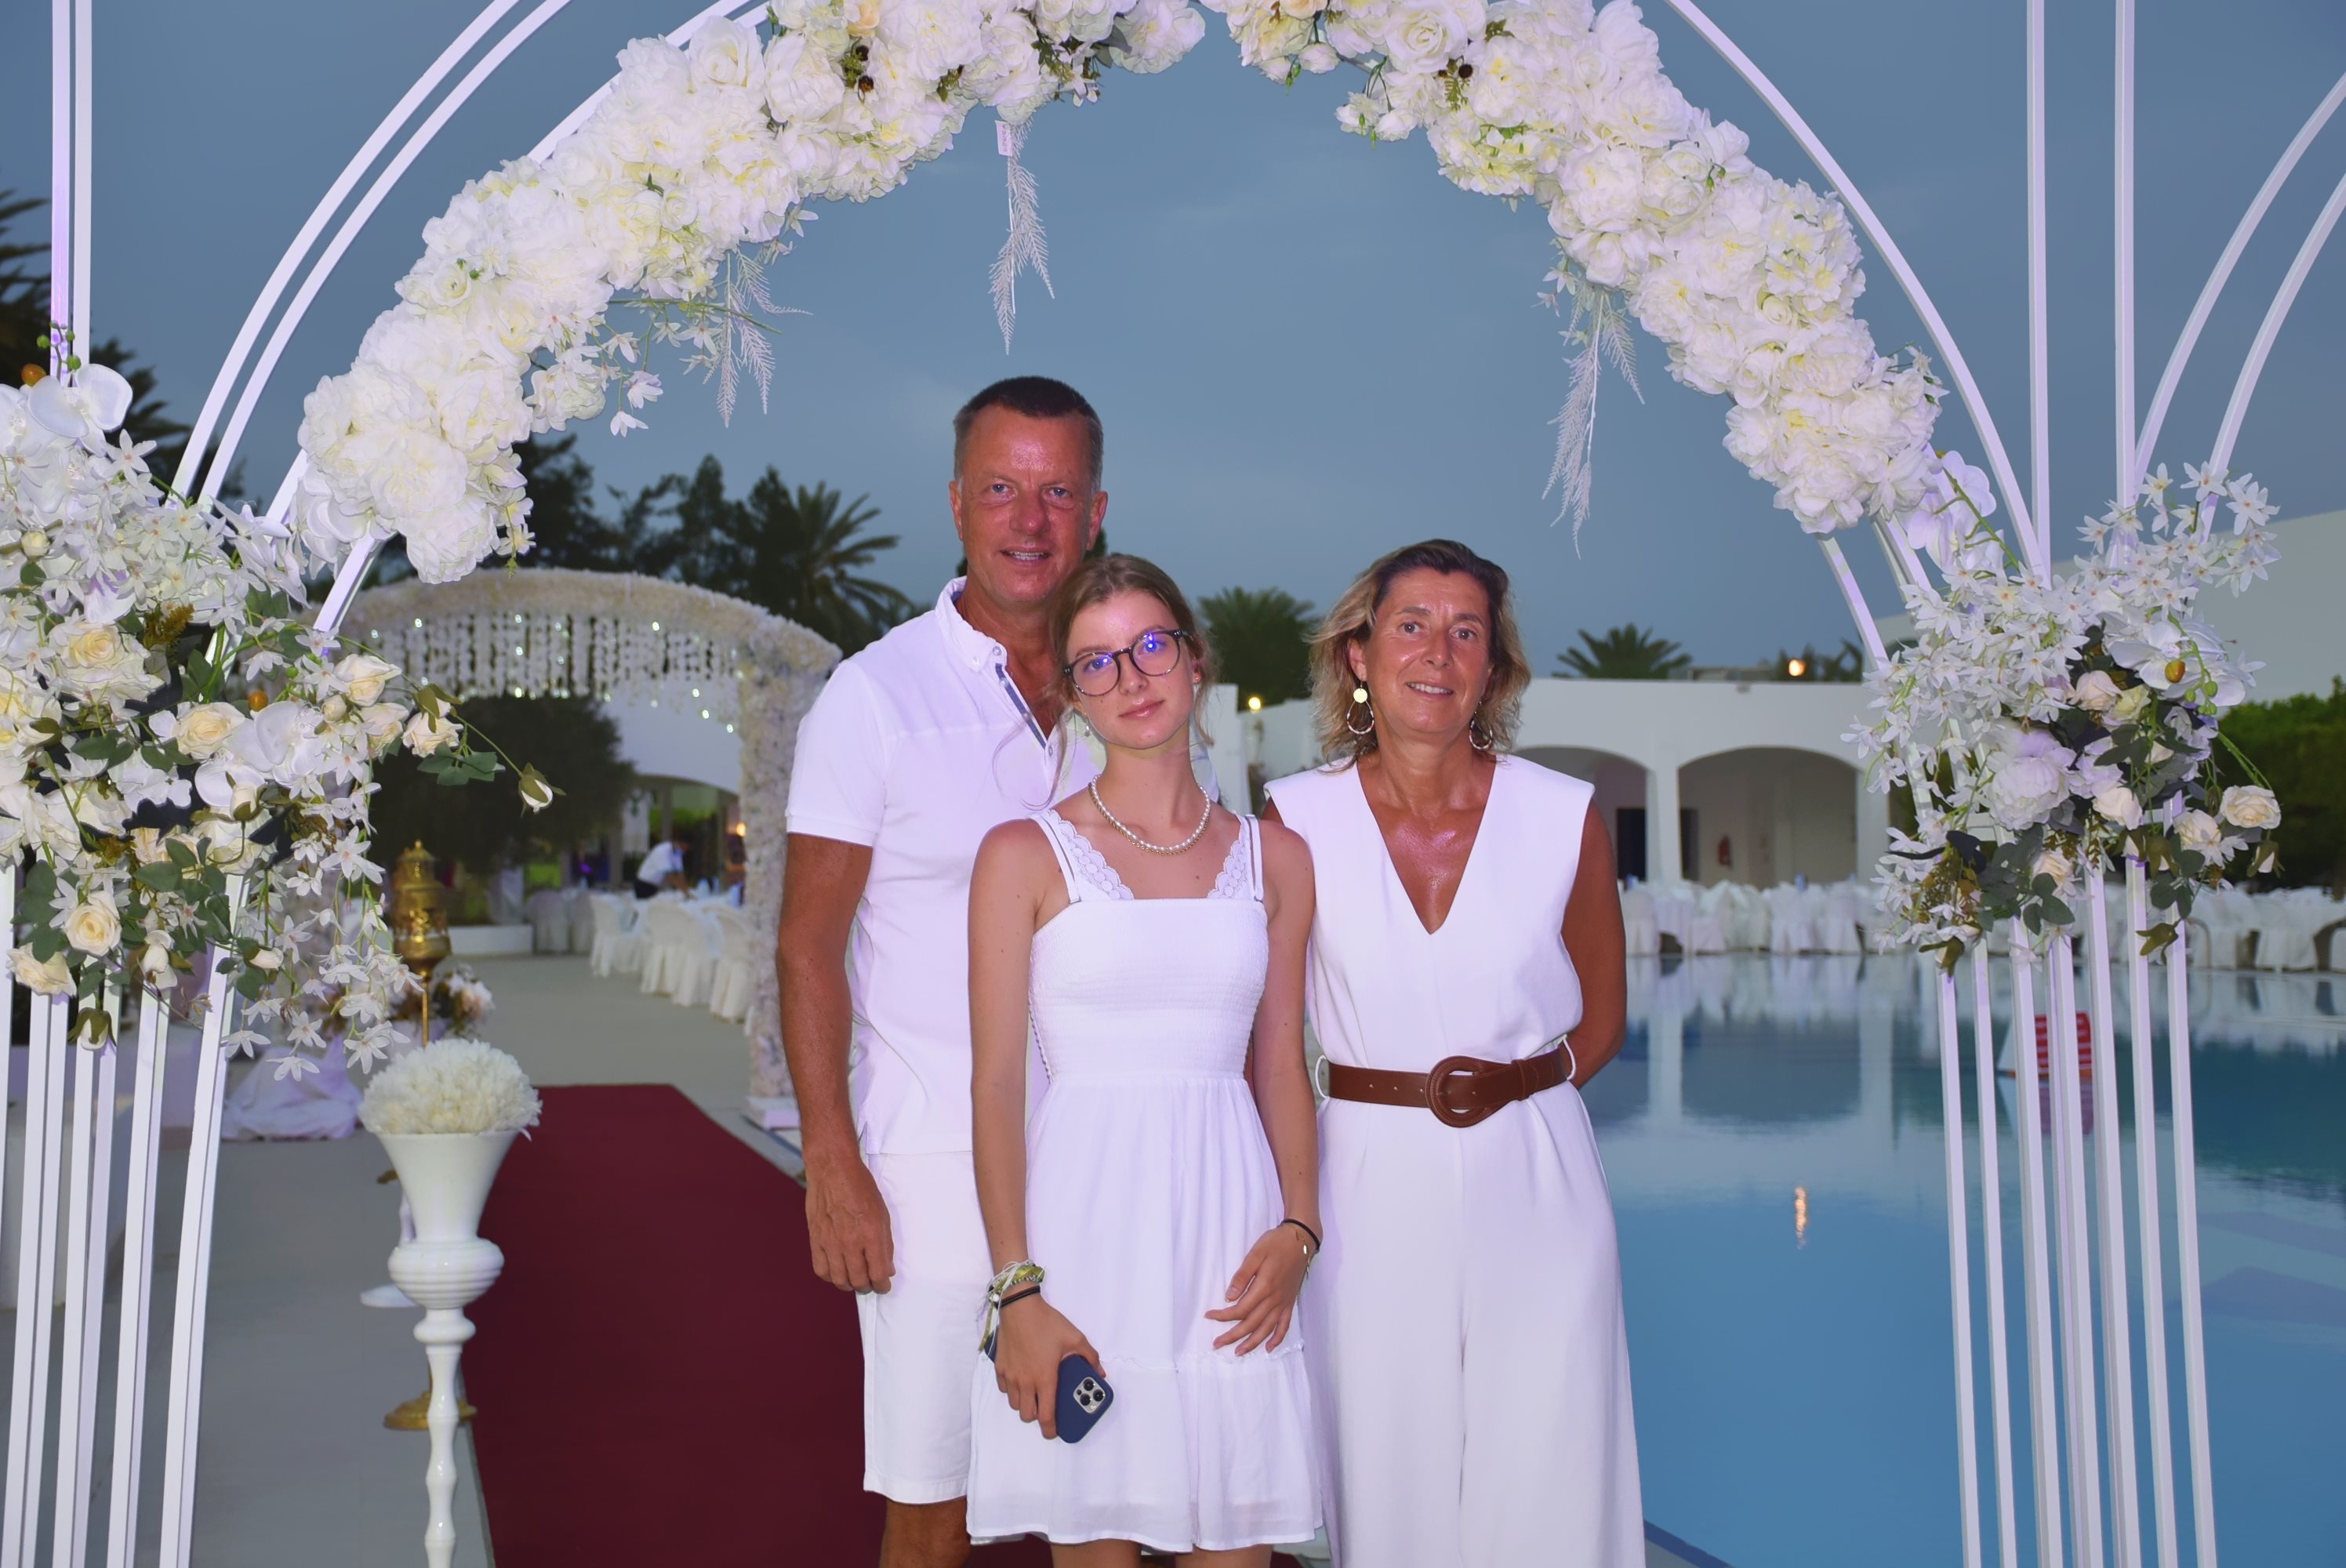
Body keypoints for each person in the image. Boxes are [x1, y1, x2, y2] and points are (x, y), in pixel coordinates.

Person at [779, 376, 1111, 1568]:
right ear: (958, 503)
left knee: (1103, 1490)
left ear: (1097, 511)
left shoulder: (1132, 691)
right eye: (1003, 488)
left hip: (1106, 1157)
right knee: (934, 1505)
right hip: (930, 1162)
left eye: (1058, 492)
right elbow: (808, 942)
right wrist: (832, 1160)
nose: (1031, 519)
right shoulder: (874, 696)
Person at [1262, 539, 1642, 1566]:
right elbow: (1270, 1038)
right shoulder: (1295, 818)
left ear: (1494, 667)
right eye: (1412, 625)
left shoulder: (1562, 814)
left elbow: (1603, 1018)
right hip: (1365, 1177)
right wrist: (1292, 1208)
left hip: (1538, 1173)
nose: (1438, 651)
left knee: (1552, 1468)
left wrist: (1526, 1099)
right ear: (1358, 653)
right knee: (1386, 1474)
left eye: (1466, 631)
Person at [964, 554, 1321, 1564]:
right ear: (1072, 694)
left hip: (1232, 1244)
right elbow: (996, 1084)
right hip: (1082, 1247)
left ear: (1195, 659)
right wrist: (1015, 1290)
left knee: (1239, 1537)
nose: (1131, 677)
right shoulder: (1021, 854)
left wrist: (1301, 1228)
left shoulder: (1277, 858)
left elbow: (1282, 1064)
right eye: (1097, 661)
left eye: (1151, 644)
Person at [634, 824, 692, 897]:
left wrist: (687, 891)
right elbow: (671, 877)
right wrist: (686, 893)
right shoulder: (663, 851)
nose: (684, 851)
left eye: (686, 849)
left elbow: (680, 874)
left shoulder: (678, 852)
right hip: (643, 885)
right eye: (684, 847)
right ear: (678, 843)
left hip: (654, 886)